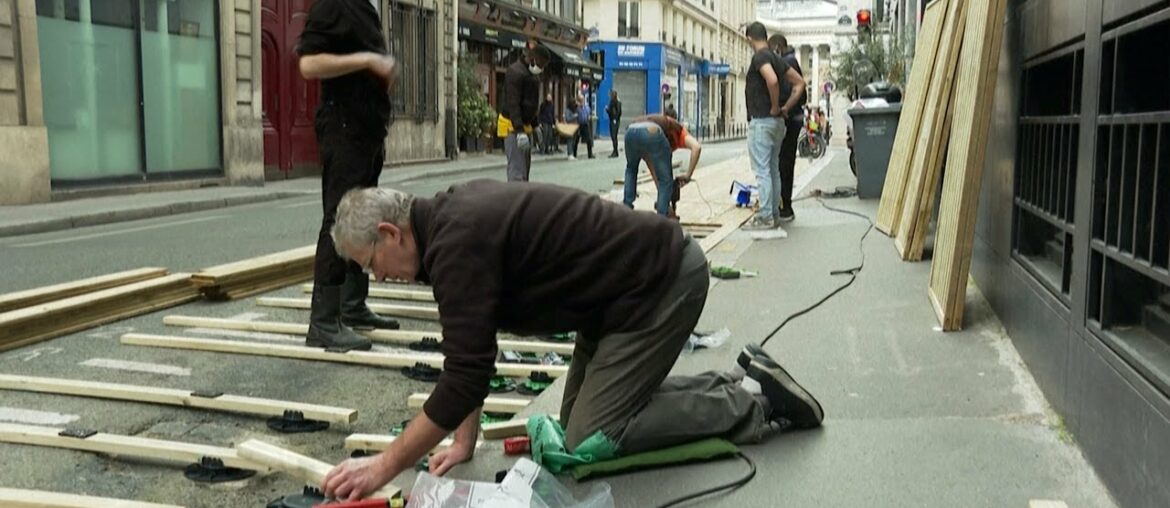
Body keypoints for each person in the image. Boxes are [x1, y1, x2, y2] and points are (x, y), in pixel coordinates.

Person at [319, 182, 824, 501]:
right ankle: (732, 379)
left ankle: (754, 404)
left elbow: (465, 373)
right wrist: (463, 439)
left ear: (391, 233)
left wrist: (384, 466)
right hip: (614, 302)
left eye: (370, 264)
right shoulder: (444, 230)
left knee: (590, 439)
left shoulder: (456, 241)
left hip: (658, 286)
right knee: (577, 424)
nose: (377, 279)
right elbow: (468, 345)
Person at [295, 0, 402, 351]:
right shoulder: (334, 3)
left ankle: (352, 305)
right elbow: (309, 64)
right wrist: (366, 60)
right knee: (338, 218)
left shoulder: (363, 6)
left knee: (363, 216)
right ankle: (323, 322)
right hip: (344, 127)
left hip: (367, 129)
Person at [742, 22, 804, 231]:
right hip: (777, 124)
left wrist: (776, 106)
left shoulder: (760, 57)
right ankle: (775, 213)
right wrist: (786, 108)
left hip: (762, 121)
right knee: (773, 170)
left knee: (762, 171)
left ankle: (766, 216)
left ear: (750, 38)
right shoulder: (777, 58)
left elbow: (772, 80)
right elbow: (799, 83)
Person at [622, 114, 701, 217]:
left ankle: (626, 209)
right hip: (651, 131)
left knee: (631, 169)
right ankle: (663, 218)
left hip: (630, 132)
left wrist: (663, 195)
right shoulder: (680, 131)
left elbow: (653, 167)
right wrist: (688, 176)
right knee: (666, 180)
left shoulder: (660, 140)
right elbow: (697, 147)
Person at [769, 34, 807, 223]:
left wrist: (782, 107)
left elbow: (791, 89)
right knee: (785, 161)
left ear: (777, 47)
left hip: (789, 118)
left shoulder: (787, 61)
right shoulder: (791, 60)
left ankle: (785, 205)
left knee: (783, 162)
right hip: (795, 116)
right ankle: (783, 203)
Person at [498, 45, 550, 181]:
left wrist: (535, 124)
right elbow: (513, 103)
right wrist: (519, 131)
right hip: (512, 126)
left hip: (525, 126)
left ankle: (523, 198)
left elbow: (530, 104)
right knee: (517, 171)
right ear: (532, 59)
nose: (541, 68)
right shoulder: (515, 72)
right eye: (541, 64)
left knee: (524, 171)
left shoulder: (532, 75)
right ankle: (516, 200)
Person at [570, 94, 595, 159]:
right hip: (578, 125)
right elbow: (573, 114)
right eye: (580, 100)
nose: (581, 101)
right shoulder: (576, 108)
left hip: (585, 124)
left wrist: (589, 117)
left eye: (582, 100)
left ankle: (590, 154)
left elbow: (589, 113)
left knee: (589, 140)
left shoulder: (586, 107)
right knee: (576, 140)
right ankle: (574, 154)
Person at [606, 89, 622, 158]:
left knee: (614, 136)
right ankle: (615, 151)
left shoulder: (616, 102)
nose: (610, 96)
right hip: (613, 120)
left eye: (611, 94)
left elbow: (618, 112)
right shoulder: (613, 101)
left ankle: (615, 151)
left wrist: (615, 118)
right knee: (613, 137)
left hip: (614, 121)